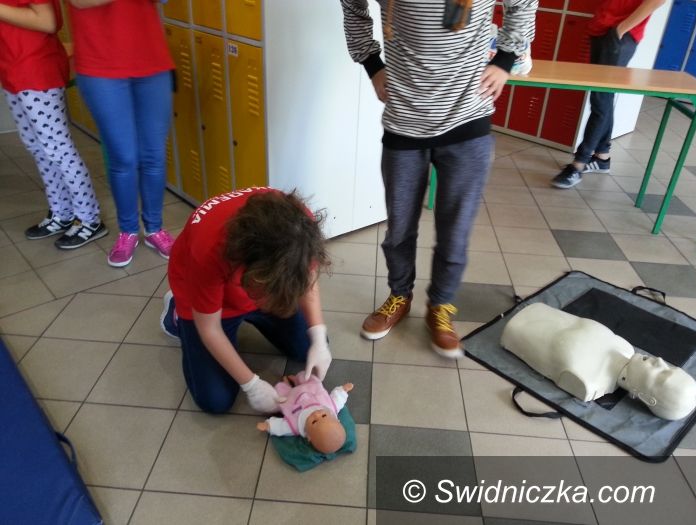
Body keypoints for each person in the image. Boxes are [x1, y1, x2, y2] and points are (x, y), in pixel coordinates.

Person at [339, 0, 537, 358]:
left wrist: (505, 61)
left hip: (468, 121)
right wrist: (372, 65)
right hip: (405, 122)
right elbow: (352, 6)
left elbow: (523, 4)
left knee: (455, 231)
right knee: (399, 229)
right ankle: (399, 296)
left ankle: (440, 305)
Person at [161, 187, 333, 415]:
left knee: (307, 347)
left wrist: (318, 335)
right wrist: (251, 384)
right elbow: (210, 329)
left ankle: (260, 312)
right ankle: (176, 312)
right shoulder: (209, 248)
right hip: (206, 298)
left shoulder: (300, 229)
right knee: (215, 400)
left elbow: (306, 278)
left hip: (259, 284)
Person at [68, 0, 176, 267]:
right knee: (123, 157)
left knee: (154, 154)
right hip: (100, 64)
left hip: (152, 61)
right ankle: (128, 231)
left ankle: (154, 228)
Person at [0, 0, 107, 248]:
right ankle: (62, 212)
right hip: (11, 70)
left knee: (58, 150)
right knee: (37, 148)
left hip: (35, 69)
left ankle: (89, 219)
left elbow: (47, 21)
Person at [501, 303, 696, 420]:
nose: (660, 361)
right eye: (669, 366)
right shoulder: (624, 347)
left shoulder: (589, 383)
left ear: (647, 399)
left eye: (662, 374)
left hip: (516, 327)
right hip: (539, 311)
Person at [551, 0, 667, 189]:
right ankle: (602, 157)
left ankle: (578, 164)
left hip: (618, 34)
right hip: (602, 30)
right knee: (604, 98)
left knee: (600, 100)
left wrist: (620, 30)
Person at [256, 372, 353, 454]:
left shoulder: (296, 426)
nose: (316, 414)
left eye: (314, 421)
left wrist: (269, 426)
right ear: (336, 419)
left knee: (280, 393)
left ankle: (286, 384)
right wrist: (343, 390)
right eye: (324, 415)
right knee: (309, 377)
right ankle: (296, 380)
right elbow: (338, 399)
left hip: (290, 397)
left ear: (309, 436)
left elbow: (282, 427)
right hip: (310, 388)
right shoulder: (332, 407)